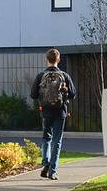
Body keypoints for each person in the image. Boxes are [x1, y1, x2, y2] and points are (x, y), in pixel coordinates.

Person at [29, 48, 77, 180]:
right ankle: (53, 170)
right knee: (57, 141)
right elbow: (73, 94)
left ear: (47, 60)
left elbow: (33, 95)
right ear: (58, 59)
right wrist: (64, 91)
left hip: (46, 112)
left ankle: (45, 164)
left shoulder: (40, 76)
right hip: (60, 111)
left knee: (46, 139)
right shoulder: (65, 75)